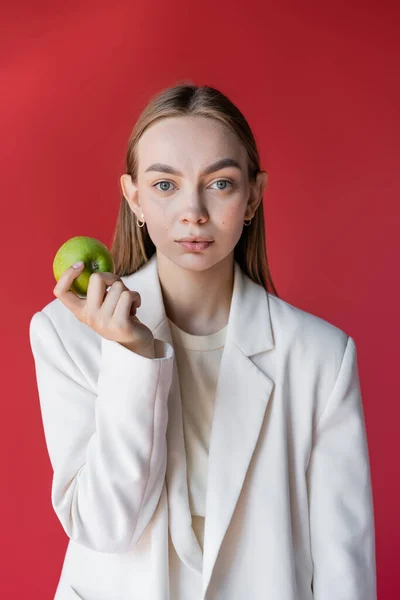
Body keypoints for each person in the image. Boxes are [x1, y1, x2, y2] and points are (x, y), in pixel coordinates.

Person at [29, 82, 377, 600]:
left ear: (253, 195)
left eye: (220, 183)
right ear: (134, 197)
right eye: (165, 185)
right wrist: (132, 356)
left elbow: (343, 566)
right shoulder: (65, 334)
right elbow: (104, 529)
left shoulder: (322, 357)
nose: (192, 211)